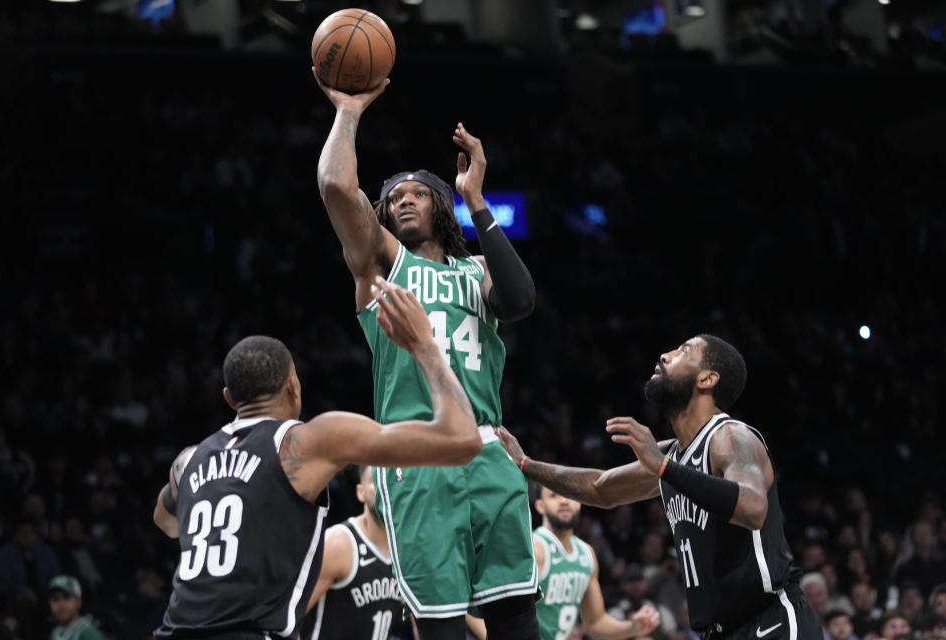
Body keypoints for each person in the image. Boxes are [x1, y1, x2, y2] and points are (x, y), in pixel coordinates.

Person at [313, 70, 539, 640]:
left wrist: (476, 200)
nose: (402, 201)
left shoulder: (476, 270)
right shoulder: (381, 268)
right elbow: (338, 190)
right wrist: (349, 110)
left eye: (416, 194)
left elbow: (519, 301)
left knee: (516, 620)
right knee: (440, 628)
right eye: (393, 198)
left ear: (440, 206)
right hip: (417, 451)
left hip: (489, 448)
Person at [151, 278, 482, 638]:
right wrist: (424, 345)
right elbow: (462, 439)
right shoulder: (307, 442)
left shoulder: (189, 460)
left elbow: (166, 521)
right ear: (293, 385)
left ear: (230, 398)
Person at [498, 335, 822, 639]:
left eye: (684, 352)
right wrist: (526, 464)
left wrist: (663, 467)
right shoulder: (673, 455)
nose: (665, 355)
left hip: (772, 622)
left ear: (707, 379)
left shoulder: (731, 437)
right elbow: (600, 488)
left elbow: (753, 509)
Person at [465, 484, 661, 640]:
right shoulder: (533, 548)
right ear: (540, 505)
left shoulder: (587, 554)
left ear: (580, 503)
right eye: (554, 496)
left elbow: (595, 623)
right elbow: (475, 603)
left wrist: (633, 628)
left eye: (569, 494)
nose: (564, 501)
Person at [302, 464, 412, 640]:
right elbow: (287, 618)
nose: (387, 487)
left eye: (396, 480)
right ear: (360, 492)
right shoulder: (338, 543)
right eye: (377, 481)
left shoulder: (410, 552)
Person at [48, 575, 103, 640]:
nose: (61, 604)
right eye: (55, 599)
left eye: (66, 597)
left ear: (78, 601)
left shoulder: (87, 633)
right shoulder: (56, 632)